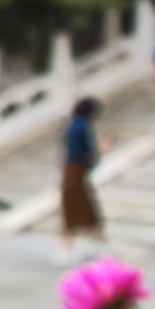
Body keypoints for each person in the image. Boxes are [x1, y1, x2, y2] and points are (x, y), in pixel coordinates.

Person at [57, 97, 108, 265]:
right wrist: (100, 148)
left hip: (70, 170)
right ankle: (100, 246)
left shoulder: (70, 123)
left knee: (73, 212)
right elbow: (86, 150)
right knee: (81, 210)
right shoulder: (80, 126)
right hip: (76, 171)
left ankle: (68, 249)